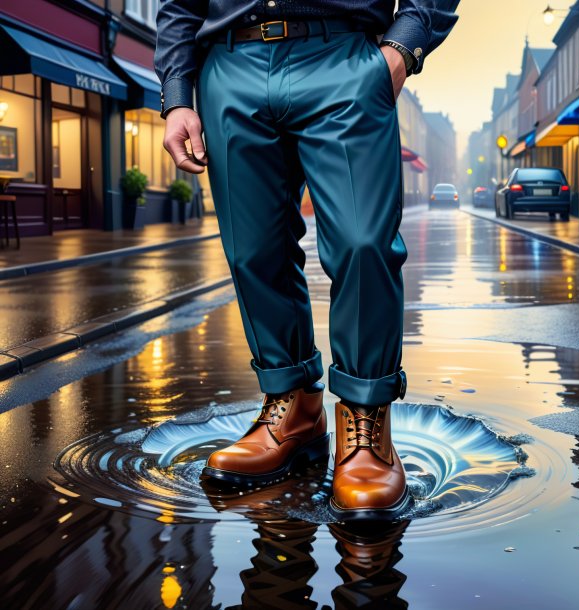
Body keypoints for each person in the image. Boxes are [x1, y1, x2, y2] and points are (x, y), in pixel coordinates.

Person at [155, 1, 460, 521]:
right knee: (253, 250)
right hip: (231, 64)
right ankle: (291, 406)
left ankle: (366, 423)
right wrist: (178, 95)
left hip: (344, 57)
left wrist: (402, 48)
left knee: (364, 243)